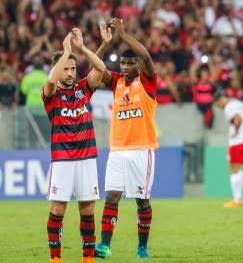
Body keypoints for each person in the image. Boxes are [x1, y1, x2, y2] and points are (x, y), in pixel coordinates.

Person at [93, 18, 159, 259]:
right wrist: (105, 44)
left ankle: (142, 246)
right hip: (117, 150)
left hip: (142, 150)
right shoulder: (116, 83)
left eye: (130, 63)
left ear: (139, 67)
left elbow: (148, 57)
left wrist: (123, 35)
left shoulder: (147, 83)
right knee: (112, 196)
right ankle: (104, 245)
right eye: (122, 63)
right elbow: (95, 70)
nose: (124, 67)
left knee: (142, 201)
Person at [42, 28, 106, 263]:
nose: (69, 73)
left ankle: (87, 258)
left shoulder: (83, 89)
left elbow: (100, 69)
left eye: (72, 68)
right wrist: (66, 51)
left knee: (87, 210)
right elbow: (50, 81)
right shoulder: (50, 95)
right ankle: (55, 259)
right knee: (58, 210)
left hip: (87, 159)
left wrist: (82, 49)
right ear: (58, 70)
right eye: (65, 69)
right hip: (62, 161)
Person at [213, 89, 243, 208]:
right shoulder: (238, 103)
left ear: (220, 100)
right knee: (237, 170)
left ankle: (237, 200)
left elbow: (237, 118)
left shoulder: (229, 107)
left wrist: (236, 131)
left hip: (237, 142)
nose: (218, 107)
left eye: (217, 104)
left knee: (234, 171)